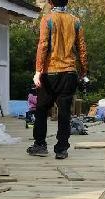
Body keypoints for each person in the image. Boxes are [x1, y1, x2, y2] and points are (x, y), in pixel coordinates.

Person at [27, 0, 88, 159]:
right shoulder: (75, 21)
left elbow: (43, 45)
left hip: (50, 71)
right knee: (65, 112)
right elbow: (82, 48)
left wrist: (38, 71)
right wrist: (83, 70)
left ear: (50, 2)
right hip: (69, 71)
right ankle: (61, 149)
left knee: (41, 109)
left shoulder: (47, 19)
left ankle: (40, 145)